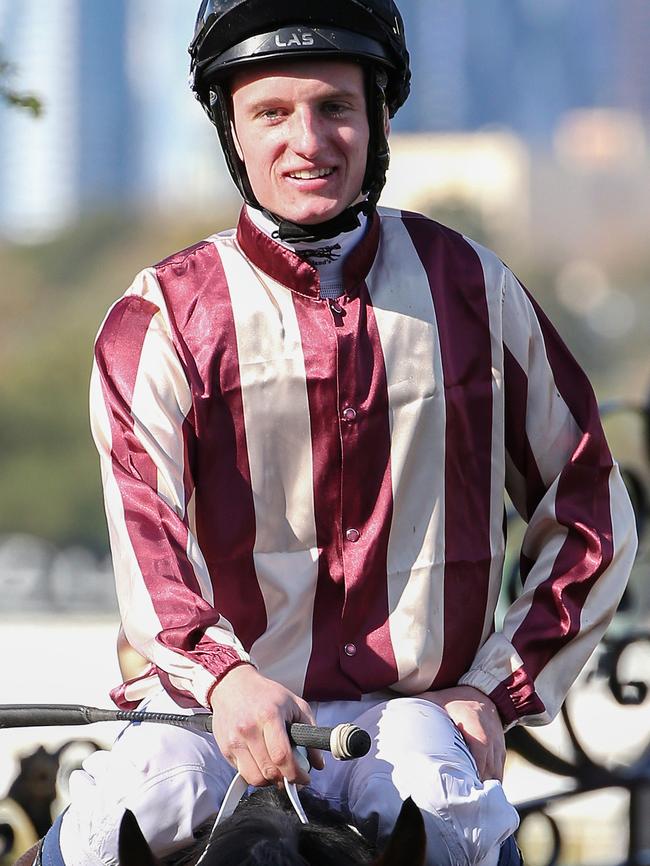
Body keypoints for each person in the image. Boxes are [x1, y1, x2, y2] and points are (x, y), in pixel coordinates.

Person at [38, 1, 637, 864]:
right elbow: (152, 551)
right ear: (230, 131)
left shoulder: (474, 286)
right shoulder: (158, 317)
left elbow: (591, 514)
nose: (308, 141)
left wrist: (494, 693)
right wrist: (226, 678)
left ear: (379, 118)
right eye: (272, 113)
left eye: (336, 108)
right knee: (106, 829)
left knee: (453, 822)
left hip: (410, 716)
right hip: (211, 716)